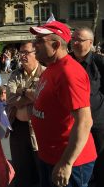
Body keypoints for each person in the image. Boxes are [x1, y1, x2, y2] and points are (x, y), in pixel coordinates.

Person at [30, 21, 97, 187]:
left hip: (71, 163)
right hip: (52, 157)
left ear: (56, 44)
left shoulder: (69, 72)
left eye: (39, 41)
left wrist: (66, 163)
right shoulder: (53, 68)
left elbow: (84, 121)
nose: (33, 45)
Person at [6, 41, 45, 187]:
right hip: (18, 128)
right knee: (21, 169)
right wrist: (29, 96)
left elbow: (41, 98)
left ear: (36, 54)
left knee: (40, 167)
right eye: (20, 53)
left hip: (38, 129)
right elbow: (10, 97)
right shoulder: (16, 73)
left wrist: (21, 91)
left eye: (26, 52)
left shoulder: (45, 73)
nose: (22, 56)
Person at [70, 27, 104, 187]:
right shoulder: (67, 61)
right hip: (72, 122)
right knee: (76, 159)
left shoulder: (99, 62)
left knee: (99, 161)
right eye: (73, 39)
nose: (74, 42)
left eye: (79, 40)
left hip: (97, 123)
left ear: (90, 43)